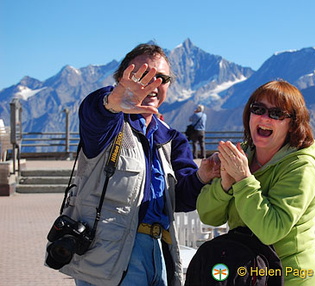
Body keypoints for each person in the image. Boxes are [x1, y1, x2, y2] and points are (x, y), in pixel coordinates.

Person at [55, 44, 220, 286]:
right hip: (111, 257)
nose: (153, 84)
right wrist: (112, 102)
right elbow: (93, 113)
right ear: (123, 79)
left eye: (161, 78)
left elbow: (180, 200)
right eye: (143, 76)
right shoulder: (107, 124)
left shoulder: (172, 139)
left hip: (159, 252)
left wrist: (202, 177)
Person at [196, 80, 315, 285]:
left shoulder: (301, 168)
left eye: (277, 113)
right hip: (250, 274)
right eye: (258, 109)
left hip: (289, 278)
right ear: (249, 114)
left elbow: (270, 231)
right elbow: (207, 215)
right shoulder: (242, 155)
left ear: (292, 124)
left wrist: (243, 180)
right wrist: (224, 187)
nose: (264, 117)